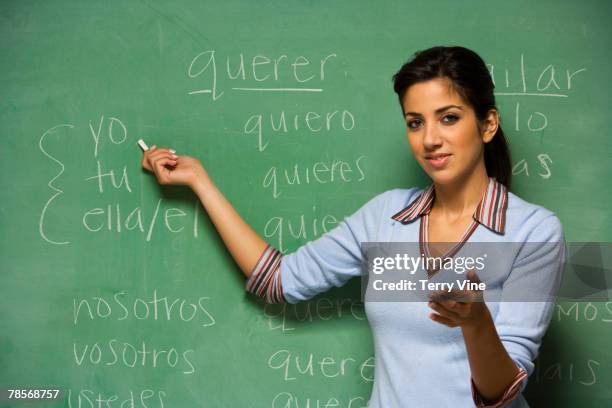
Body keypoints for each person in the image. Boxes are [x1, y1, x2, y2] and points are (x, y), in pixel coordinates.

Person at [141, 46, 566, 407]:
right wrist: (200, 182)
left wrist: (476, 324)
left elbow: (502, 394)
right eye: (415, 122)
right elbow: (278, 280)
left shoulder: (534, 232)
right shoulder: (385, 217)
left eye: (449, 118)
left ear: (487, 124)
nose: (429, 139)